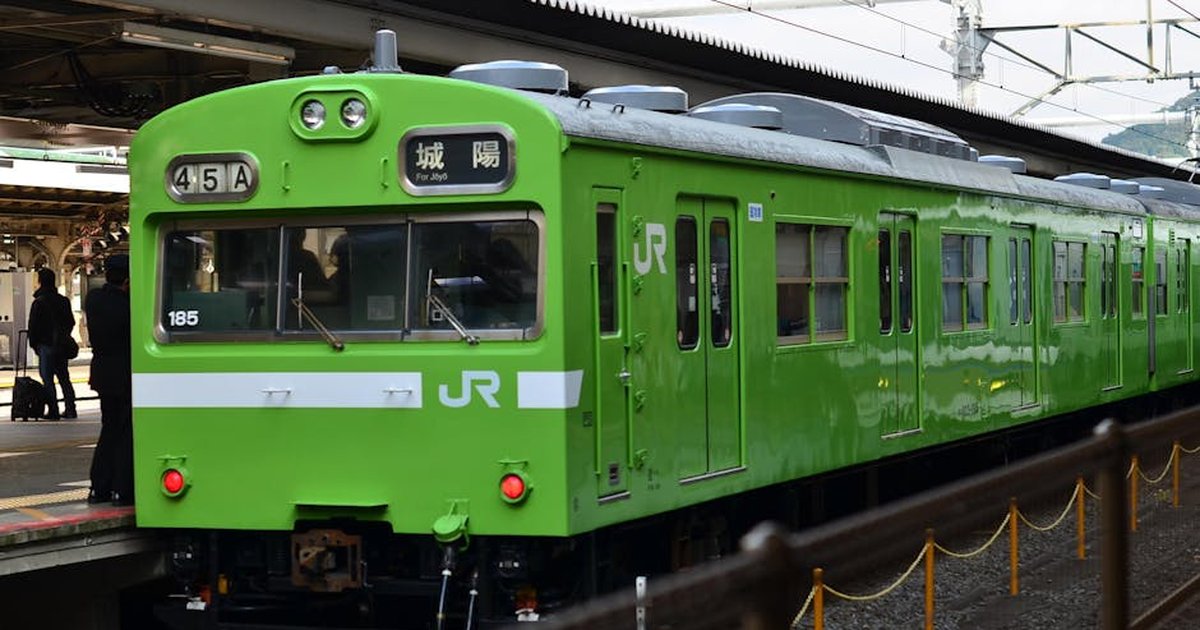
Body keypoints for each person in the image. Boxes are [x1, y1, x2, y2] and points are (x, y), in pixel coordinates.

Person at [85, 255, 132, 506]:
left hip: (102, 373)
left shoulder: (93, 300)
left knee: (109, 427)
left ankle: (98, 487)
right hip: (125, 375)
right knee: (125, 431)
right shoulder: (128, 307)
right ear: (127, 280)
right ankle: (121, 489)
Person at [27, 267, 77, 419]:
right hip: (61, 346)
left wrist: (34, 344)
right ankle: (71, 409)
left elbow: (33, 326)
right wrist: (63, 336)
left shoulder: (39, 302)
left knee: (48, 379)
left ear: (40, 282)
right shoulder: (63, 301)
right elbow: (71, 322)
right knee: (64, 378)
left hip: (45, 345)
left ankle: (53, 410)